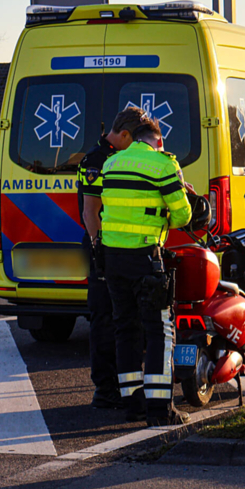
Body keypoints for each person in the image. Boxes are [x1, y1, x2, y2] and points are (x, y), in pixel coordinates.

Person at [99, 117, 194, 426]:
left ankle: (134, 404)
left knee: (125, 329)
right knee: (160, 331)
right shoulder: (163, 165)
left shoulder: (112, 163)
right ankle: (159, 410)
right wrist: (175, 194)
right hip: (145, 258)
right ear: (159, 141)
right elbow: (183, 216)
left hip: (113, 259)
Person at [77, 106, 147, 409]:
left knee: (128, 319)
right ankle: (106, 389)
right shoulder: (96, 160)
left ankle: (128, 385)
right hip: (104, 249)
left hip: (125, 248)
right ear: (125, 135)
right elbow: (90, 212)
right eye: (136, 142)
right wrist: (100, 250)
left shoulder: (123, 157)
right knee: (105, 319)